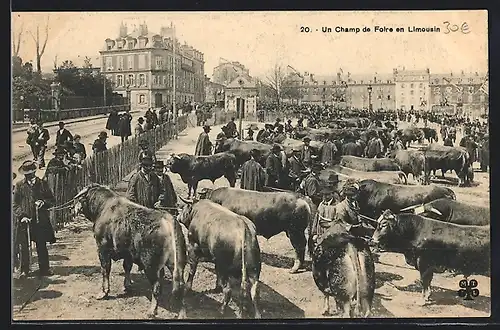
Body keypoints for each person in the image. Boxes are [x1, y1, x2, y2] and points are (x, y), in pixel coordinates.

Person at [13, 160, 56, 277]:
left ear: (34, 172)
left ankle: (44, 269)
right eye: (26, 174)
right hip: (25, 222)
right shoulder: (19, 185)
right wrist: (22, 216)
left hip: (40, 221)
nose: (28, 176)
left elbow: (52, 200)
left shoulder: (42, 184)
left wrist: (43, 202)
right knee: (24, 247)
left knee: (41, 245)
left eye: (30, 173)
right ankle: (24, 270)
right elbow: (15, 204)